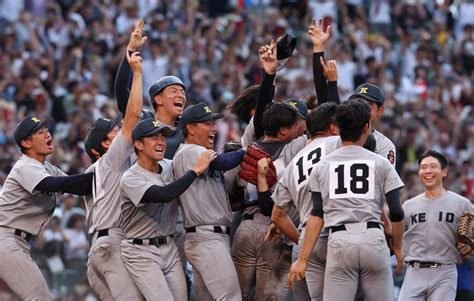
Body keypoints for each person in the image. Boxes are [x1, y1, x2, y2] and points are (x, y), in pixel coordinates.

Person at [289, 99, 405, 301]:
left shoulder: (322, 166)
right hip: (373, 238)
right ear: (367, 128)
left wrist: (302, 258)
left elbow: (317, 214)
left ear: (337, 129)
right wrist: (398, 246)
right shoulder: (380, 162)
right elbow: (396, 211)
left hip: (339, 239)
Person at [119, 118, 216, 300]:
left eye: (163, 138)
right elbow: (164, 194)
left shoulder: (169, 165)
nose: (161, 142)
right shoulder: (130, 178)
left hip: (169, 247)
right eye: (154, 138)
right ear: (138, 144)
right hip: (141, 250)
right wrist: (194, 171)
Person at [0, 115, 92, 300]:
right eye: (40, 132)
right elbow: (53, 184)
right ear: (26, 142)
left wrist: (105, 170)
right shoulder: (24, 166)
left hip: (16, 242)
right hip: (6, 239)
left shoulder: (46, 167)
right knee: (39, 297)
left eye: (47, 130)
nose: (47, 134)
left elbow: (78, 186)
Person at [83, 48, 143, 300]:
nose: (119, 130)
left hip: (100, 247)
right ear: (104, 146)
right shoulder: (111, 160)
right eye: (112, 131)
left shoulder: (95, 169)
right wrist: (137, 72)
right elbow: (133, 116)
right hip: (112, 244)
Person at [265, 102, 340, 301]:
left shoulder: (296, 161)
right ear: (333, 126)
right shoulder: (339, 144)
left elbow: (277, 216)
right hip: (333, 234)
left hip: (306, 239)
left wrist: (303, 240)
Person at [173, 102, 245, 301]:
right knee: (231, 298)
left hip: (205, 237)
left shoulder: (195, 154)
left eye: (214, 123)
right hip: (207, 238)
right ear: (190, 127)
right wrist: (245, 151)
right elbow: (223, 162)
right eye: (207, 123)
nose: (213, 128)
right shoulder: (190, 151)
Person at [398, 150, 474, 301]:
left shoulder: (462, 204)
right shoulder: (408, 206)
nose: (428, 171)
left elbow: (471, 241)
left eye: (433, 166)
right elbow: (398, 237)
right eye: (423, 167)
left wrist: (470, 248)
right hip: (414, 271)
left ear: (444, 171)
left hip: (445, 271)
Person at [349, 83, 396, 166]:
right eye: (357, 104)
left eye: (367, 106)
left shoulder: (385, 145)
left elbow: (385, 177)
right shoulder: (341, 135)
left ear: (380, 110)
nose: (361, 110)